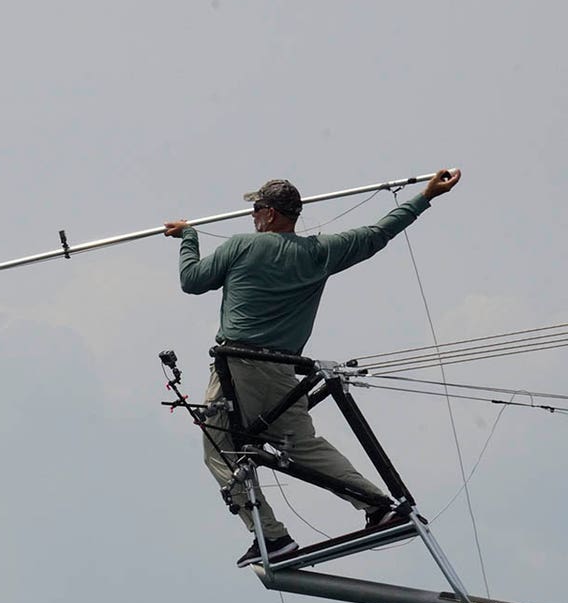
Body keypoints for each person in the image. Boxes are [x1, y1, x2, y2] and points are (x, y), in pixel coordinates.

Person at [163, 169, 461, 567]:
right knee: (302, 447)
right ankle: (379, 506)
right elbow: (377, 234)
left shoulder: (240, 247)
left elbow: (192, 281)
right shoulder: (320, 252)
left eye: (255, 209)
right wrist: (424, 197)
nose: (251, 216)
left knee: (220, 450)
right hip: (284, 371)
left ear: (269, 214)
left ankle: (271, 536)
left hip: (239, 368)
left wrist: (188, 238)